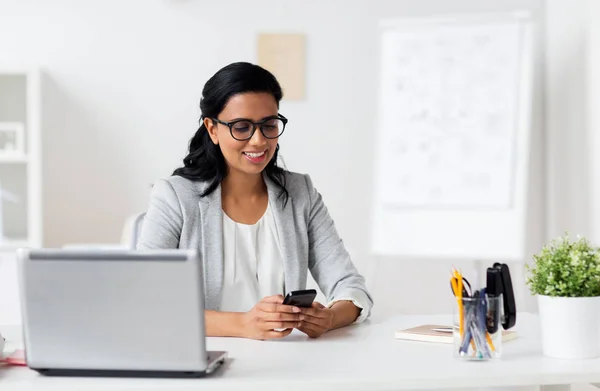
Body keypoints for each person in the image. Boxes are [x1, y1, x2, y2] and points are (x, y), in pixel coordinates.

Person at [137, 62, 373, 340]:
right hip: (205, 360)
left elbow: (350, 286)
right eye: (241, 127)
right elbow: (146, 301)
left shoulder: (300, 193)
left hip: (286, 363)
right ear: (212, 129)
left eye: (268, 125)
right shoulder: (175, 197)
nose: (259, 141)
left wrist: (330, 317)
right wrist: (243, 324)